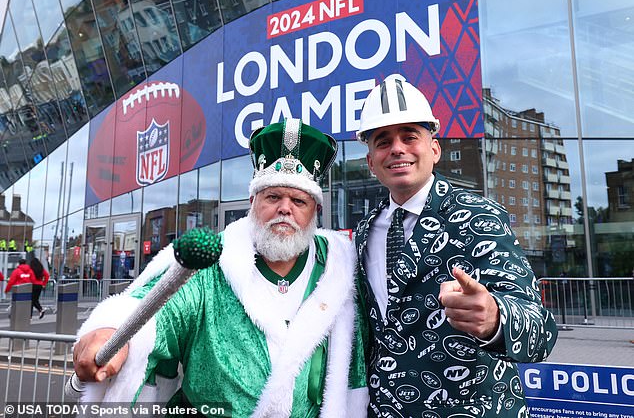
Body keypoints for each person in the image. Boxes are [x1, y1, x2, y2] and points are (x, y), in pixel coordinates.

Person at [73, 118, 368, 417]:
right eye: (273, 197)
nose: (285, 208)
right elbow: (158, 313)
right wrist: (112, 331)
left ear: (315, 211)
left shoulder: (337, 270)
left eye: (298, 200)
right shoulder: (213, 265)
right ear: (253, 202)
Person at [353, 74, 558, 417]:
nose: (397, 148)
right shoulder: (364, 232)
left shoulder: (480, 216)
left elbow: (540, 330)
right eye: (383, 141)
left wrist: (495, 318)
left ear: (434, 149)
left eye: (410, 136)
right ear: (372, 161)